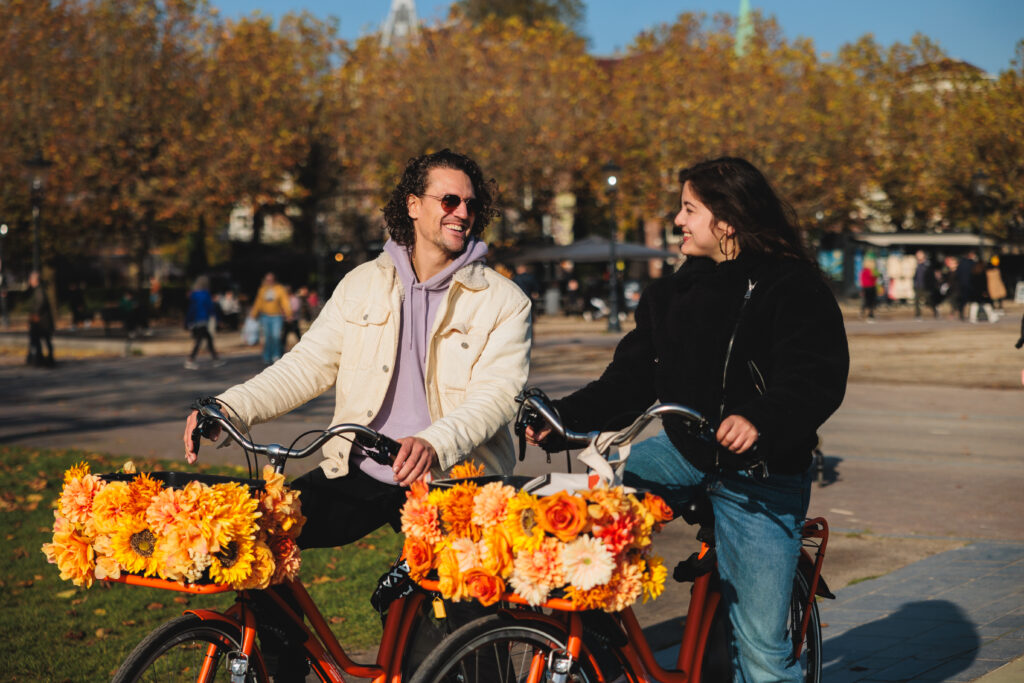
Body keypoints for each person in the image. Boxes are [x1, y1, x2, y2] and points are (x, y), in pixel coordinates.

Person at [182, 149, 531, 680]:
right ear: (414, 206)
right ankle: (282, 669)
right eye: (450, 199)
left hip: (452, 477)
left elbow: (498, 395)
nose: (462, 212)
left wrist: (436, 440)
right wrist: (228, 408)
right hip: (361, 467)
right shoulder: (364, 283)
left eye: (471, 203)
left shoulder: (503, 300)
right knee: (261, 541)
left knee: (469, 613)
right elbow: (306, 364)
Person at [527, 157, 849, 683]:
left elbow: (817, 376)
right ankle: (600, 649)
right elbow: (630, 380)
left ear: (727, 221)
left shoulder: (792, 285)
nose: (678, 220)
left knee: (763, 653)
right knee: (581, 513)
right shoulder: (672, 295)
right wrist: (562, 417)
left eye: (689, 209)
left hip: (760, 474)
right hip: (684, 452)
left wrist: (761, 419)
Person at [248, 272, 292, 365]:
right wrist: (254, 313)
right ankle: (267, 356)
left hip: (277, 316)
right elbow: (258, 302)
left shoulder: (280, 289)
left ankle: (276, 355)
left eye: (271, 279)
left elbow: (285, 301)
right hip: (265, 316)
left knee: (276, 336)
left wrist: (288, 313)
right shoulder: (262, 290)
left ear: (274, 280)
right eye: (267, 279)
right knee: (268, 338)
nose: (269, 281)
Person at [184, 275, 223, 369]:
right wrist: (218, 319)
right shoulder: (206, 294)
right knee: (199, 340)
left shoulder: (194, 295)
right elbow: (210, 308)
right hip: (203, 319)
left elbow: (191, 310)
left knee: (207, 339)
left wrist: (187, 321)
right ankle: (191, 360)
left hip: (196, 320)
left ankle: (215, 359)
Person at [26, 271, 55, 367]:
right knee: (44, 340)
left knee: (44, 340)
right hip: (42, 321)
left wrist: (35, 314)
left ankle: (45, 360)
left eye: (31, 279)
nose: (29, 281)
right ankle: (43, 359)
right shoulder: (38, 290)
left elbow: (40, 303)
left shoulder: (39, 290)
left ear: (35, 280)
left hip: (41, 321)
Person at [912, 250, 939, 319]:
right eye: (917, 255)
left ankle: (935, 311)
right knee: (916, 301)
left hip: (926, 286)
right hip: (918, 286)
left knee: (929, 301)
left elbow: (931, 276)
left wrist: (931, 285)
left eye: (919, 254)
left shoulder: (928, 264)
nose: (918, 256)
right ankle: (918, 315)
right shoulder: (916, 265)